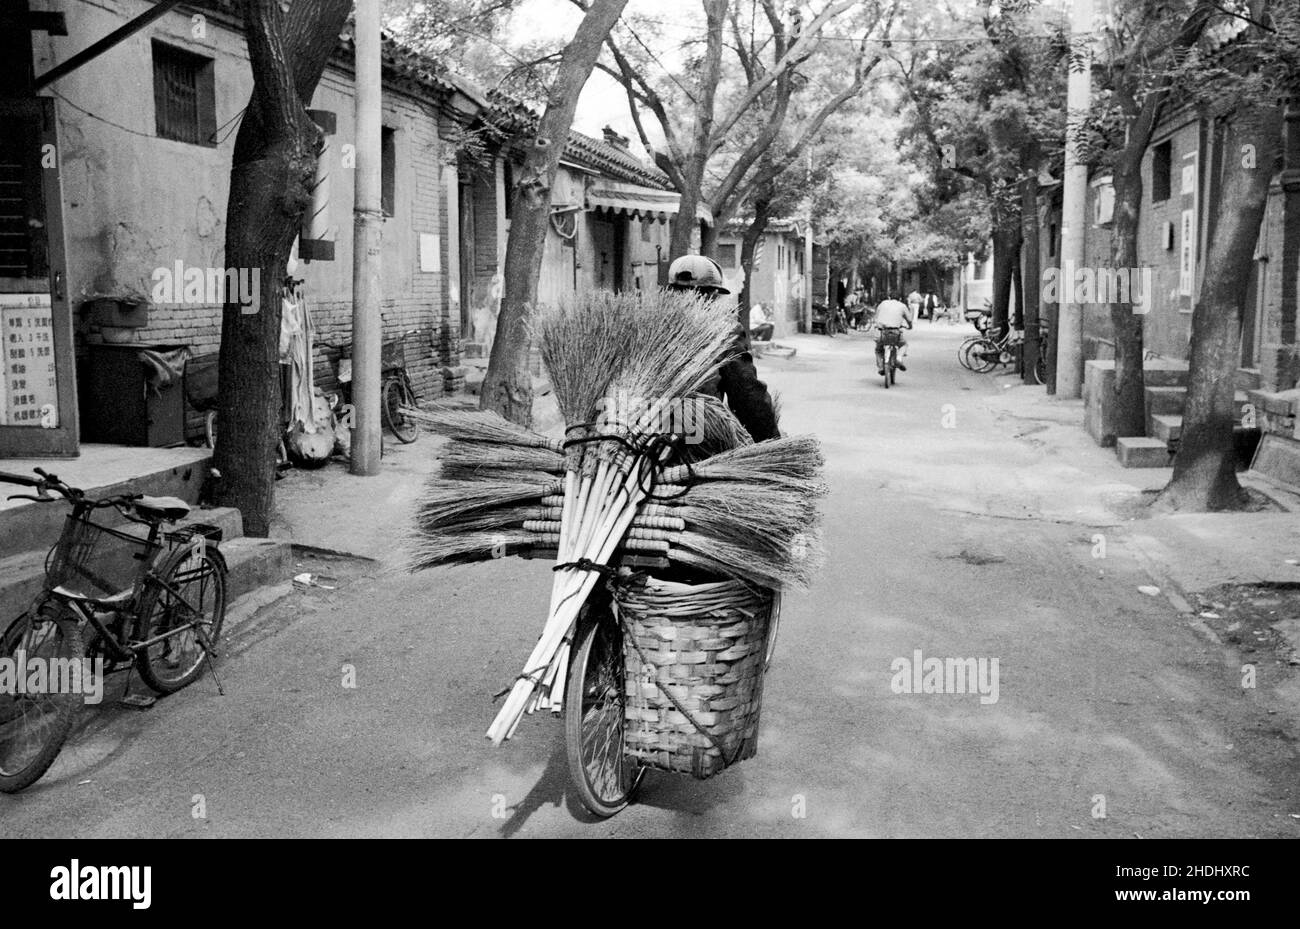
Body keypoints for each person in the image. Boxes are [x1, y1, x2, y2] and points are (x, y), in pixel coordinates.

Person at [666, 255, 780, 441]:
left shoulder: (646, 325)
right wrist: (771, 442)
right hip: (696, 438)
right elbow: (747, 394)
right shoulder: (722, 329)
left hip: (637, 438)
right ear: (711, 294)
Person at [873, 293, 913, 376]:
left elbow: (876, 318)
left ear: (889, 297)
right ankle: (898, 358)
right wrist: (909, 327)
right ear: (900, 299)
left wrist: (878, 325)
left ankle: (881, 367)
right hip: (895, 332)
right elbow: (909, 319)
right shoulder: (902, 306)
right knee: (903, 345)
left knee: (879, 349)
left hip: (882, 332)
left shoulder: (883, 303)